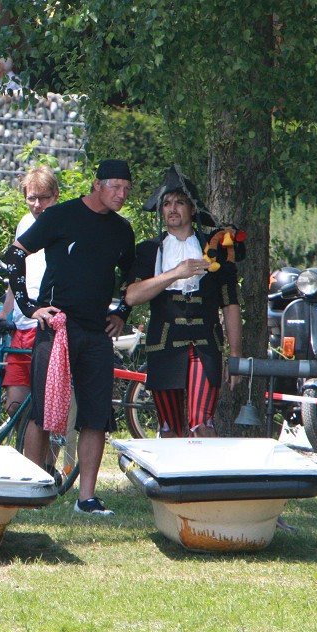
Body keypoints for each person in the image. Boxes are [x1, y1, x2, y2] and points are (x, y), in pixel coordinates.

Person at [3, 159, 136, 516]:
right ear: (97, 184)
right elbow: (15, 253)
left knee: (96, 415)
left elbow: (134, 279)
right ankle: (32, 488)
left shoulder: (123, 230)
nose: (122, 195)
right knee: (44, 412)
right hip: (56, 325)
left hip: (97, 331)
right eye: (115, 187)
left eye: (127, 189)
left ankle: (86, 498)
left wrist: (122, 312)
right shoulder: (60, 215)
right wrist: (31, 308)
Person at [124, 167, 242, 437]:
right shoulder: (148, 249)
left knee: (202, 425)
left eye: (179, 202)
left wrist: (235, 355)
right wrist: (175, 273)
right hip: (163, 344)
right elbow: (132, 295)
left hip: (205, 344)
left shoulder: (215, 248)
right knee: (169, 428)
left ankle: (202, 479)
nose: (172, 209)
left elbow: (230, 304)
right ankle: (173, 480)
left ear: (192, 209)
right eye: (166, 203)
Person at [0, 166, 59, 427]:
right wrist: (4, 311)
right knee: (15, 405)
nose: (37, 205)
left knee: (45, 406)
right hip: (22, 324)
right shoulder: (24, 223)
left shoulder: (64, 225)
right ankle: (24, 455)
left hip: (46, 324)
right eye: (31, 198)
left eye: (44, 198)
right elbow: (17, 275)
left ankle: (47, 463)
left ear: (56, 195)